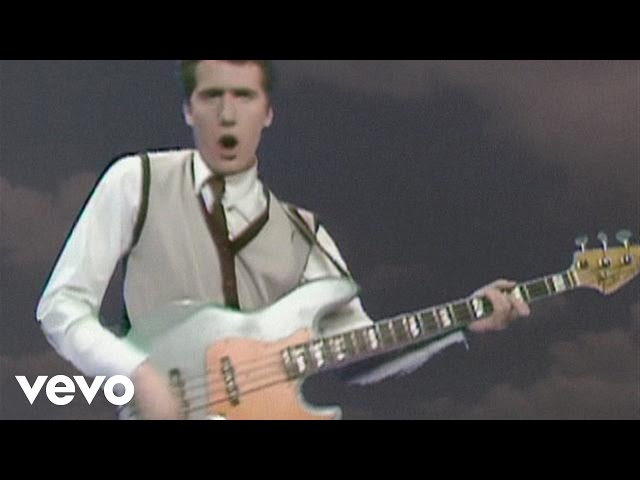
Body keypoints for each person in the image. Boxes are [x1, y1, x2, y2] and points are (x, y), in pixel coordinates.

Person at [36, 60, 530, 420]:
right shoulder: (137, 181)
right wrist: (137, 372)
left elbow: (360, 352)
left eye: (244, 96)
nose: (227, 114)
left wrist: (463, 321)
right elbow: (61, 307)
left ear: (268, 112)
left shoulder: (305, 234)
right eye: (211, 96)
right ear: (188, 109)